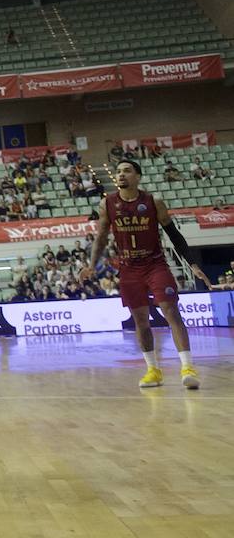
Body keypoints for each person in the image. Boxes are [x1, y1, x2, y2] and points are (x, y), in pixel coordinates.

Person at [88, 159, 211, 390]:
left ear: (138, 177)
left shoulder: (154, 202)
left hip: (155, 264)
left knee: (171, 311)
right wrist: (91, 265)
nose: (121, 175)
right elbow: (101, 237)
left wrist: (192, 264)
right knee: (141, 321)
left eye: (127, 171)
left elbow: (174, 234)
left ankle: (187, 367)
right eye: (118, 172)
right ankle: (153, 370)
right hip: (129, 268)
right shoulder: (107, 204)